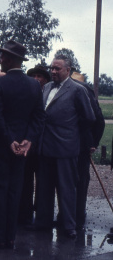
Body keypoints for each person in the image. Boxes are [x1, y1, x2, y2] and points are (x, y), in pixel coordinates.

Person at [0, 40, 45, 249]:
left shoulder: (0, 83)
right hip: (21, 149)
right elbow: (39, 116)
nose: (0, 59)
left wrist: (9, 140)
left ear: (10, 59)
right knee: (14, 192)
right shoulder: (33, 84)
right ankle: (10, 237)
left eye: (3, 56)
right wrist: (27, 141)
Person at [32, 55, 95, 238]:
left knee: (66, 189)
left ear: (68, 70)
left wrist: (71, 133)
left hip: (65, 148)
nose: (53, 71)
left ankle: (68, 225)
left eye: (57, 69)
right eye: (52, 68)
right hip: (44, 147)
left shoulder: (77, 90)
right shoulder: (46, 88)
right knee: (43, 187)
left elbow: (89, 117)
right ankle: (42, 222)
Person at [70, 71, 105, 230]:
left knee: (80, 179)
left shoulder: (84, 91)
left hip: (81, 145)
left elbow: (98, 120)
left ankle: (77, 216)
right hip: (69, 143)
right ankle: (71, 215)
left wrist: (93, 143)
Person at [18, 64, 51, 225]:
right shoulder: (27, 93)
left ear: (45, 80)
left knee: (44, 182)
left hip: (47, 145)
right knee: (26, 179)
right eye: (34, 76)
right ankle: (25, 211)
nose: (37, 79)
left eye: (40, 77)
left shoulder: (49, 93)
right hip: (29, 144)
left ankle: (42, 214)